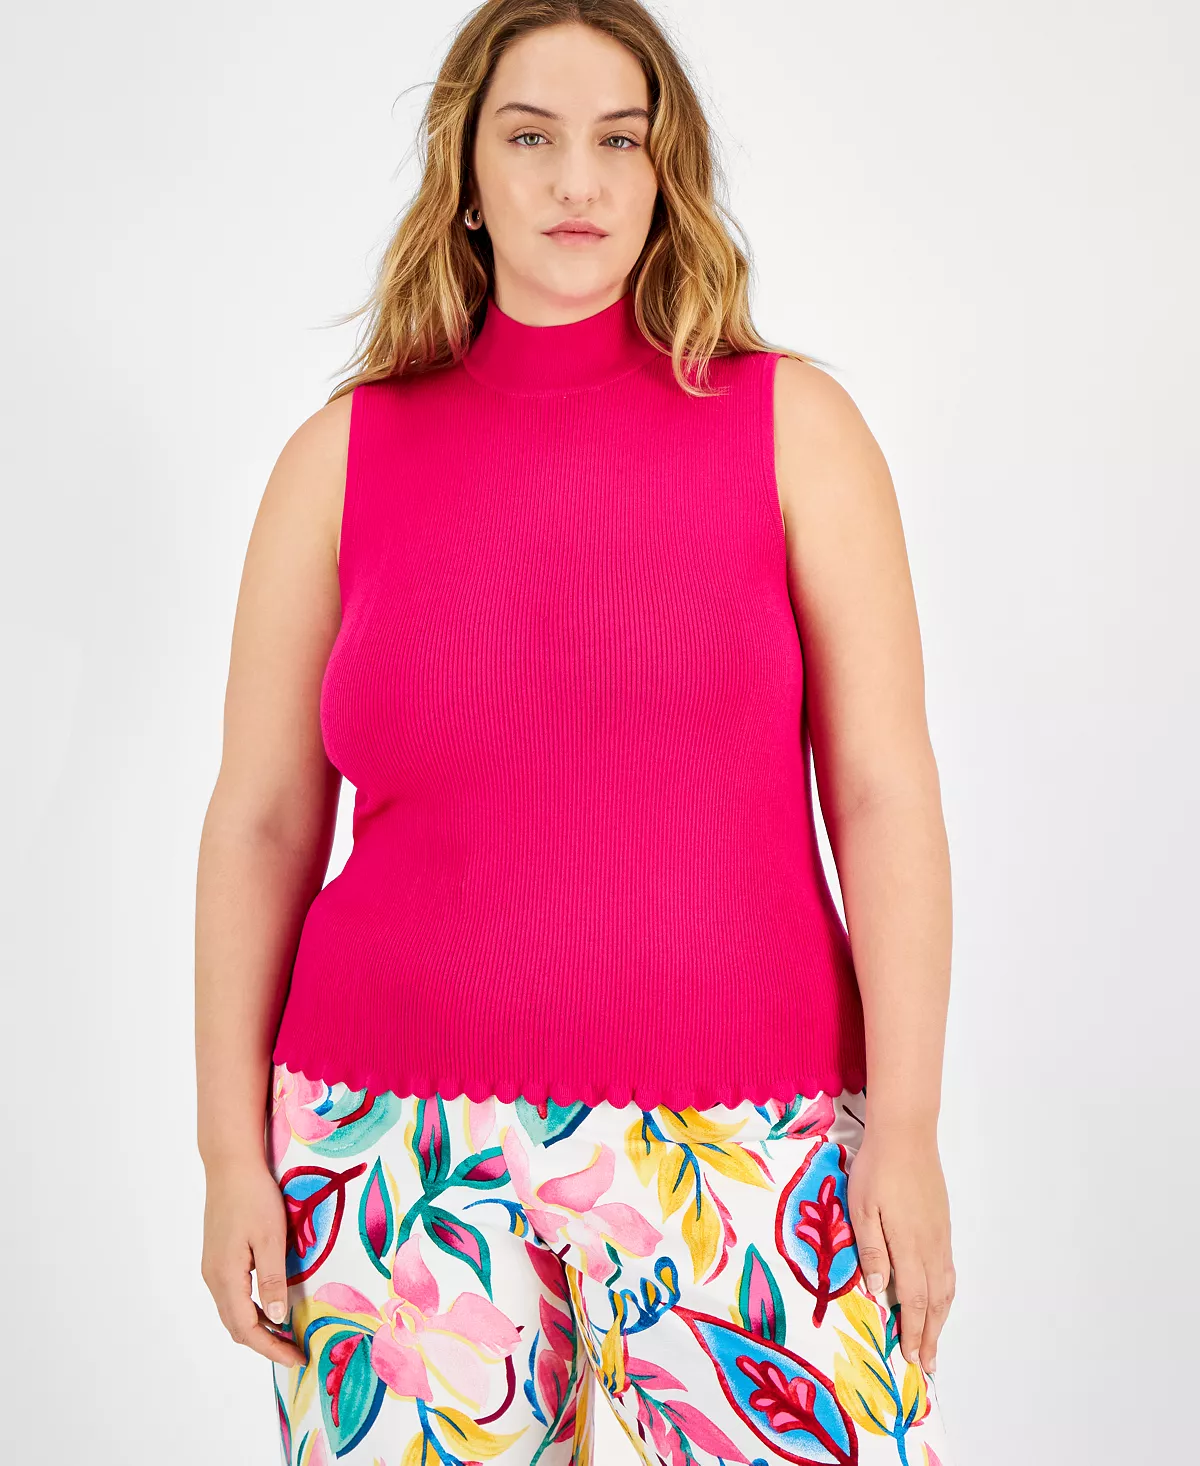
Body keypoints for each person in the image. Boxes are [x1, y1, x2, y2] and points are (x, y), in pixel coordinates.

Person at [195, 3, 959, 1462]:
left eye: (621, 141)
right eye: (531, 137)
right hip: (386, 1144)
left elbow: (881, 792)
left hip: (746, 1134)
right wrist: (229, 1149)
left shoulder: (794, 427)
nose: (577, 181)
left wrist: (909, 1128)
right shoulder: (340, 456)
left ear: (669, 174)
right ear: (468, 175)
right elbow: (262, 825)